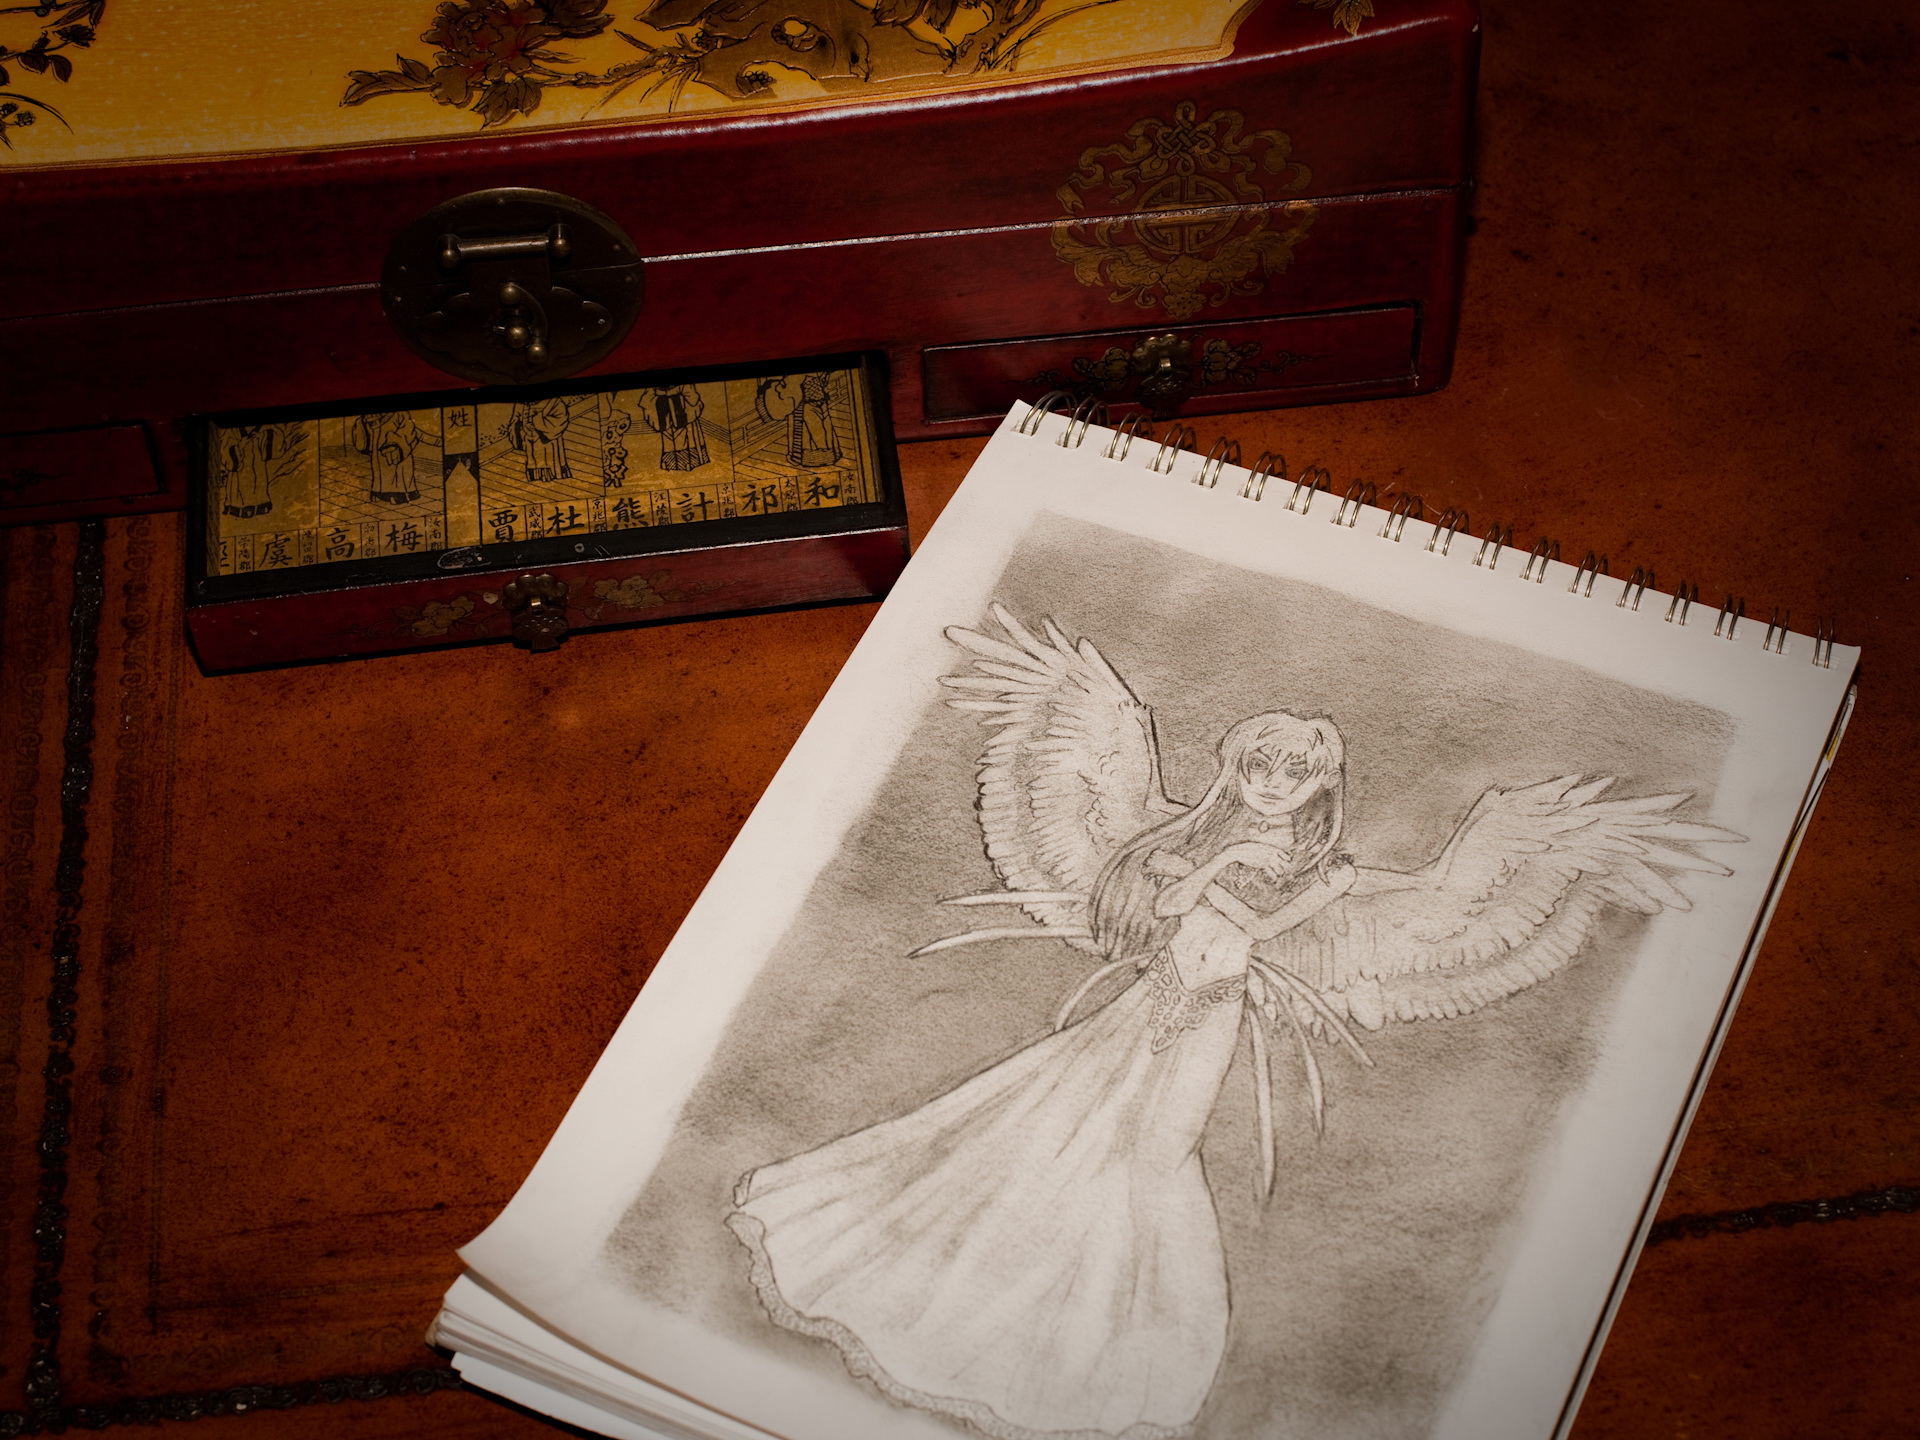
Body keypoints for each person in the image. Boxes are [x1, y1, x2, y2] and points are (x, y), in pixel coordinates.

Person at [727, 713, 1362, 1440]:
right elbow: (1169, 905)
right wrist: (1216, 862)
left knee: (1159, 1154)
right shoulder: (1210, 835)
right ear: (1236, 767)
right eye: (1259, 766)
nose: (1273, 784)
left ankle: (1116, 1339)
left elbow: (1262, 928)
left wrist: (1216, 868)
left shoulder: (1331, 868)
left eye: (1294, 772)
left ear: (1322, 782)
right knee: (1052, 1115)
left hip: (1213, 1010)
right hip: (1154, 995)